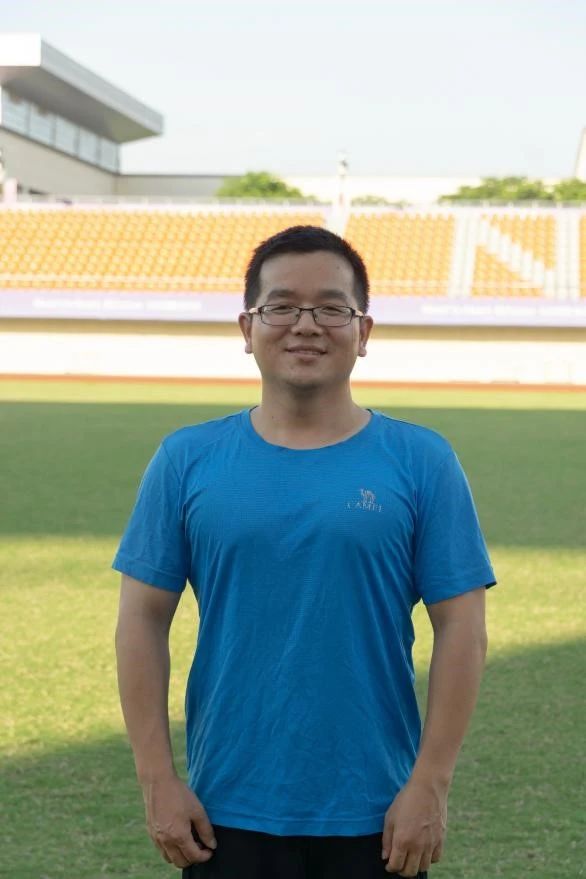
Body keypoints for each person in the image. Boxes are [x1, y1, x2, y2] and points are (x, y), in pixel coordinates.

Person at [114, 225, 496, 879]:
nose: (306, 325)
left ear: (364, 331)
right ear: (248, 327)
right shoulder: (186, 459)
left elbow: (462, 625)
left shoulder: (422, 461)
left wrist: (431, 782)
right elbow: (141, 619)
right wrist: (157, 779)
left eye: (331, 308)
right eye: (283, 306)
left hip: (378, 813)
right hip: (224, 809)